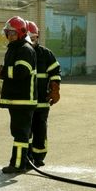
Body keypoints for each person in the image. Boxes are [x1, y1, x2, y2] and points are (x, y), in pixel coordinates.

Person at [0, 16, 37, 174]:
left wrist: (1, 71)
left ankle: (17, 165)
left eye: (13, 33)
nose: (10, 36)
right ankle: (28, 161)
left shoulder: (25, 49)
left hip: (23, 99)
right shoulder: (15, 48)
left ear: (21, 33)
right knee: (23, 132)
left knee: (20, 133)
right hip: (17, 98)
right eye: (8, 32)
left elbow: (21, 72)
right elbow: (11, 72)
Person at [26, 21, 61, 167]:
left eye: (33, 38)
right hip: (25, 103)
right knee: (25, 132)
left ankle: (39, 157)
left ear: (37, 37)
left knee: (40, 130)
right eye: (29, 39)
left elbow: (55, 72)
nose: (31, 42)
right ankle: (26, 158)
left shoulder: (46, 54)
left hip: (41, 102)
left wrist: (55, 89)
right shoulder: (20, 54)